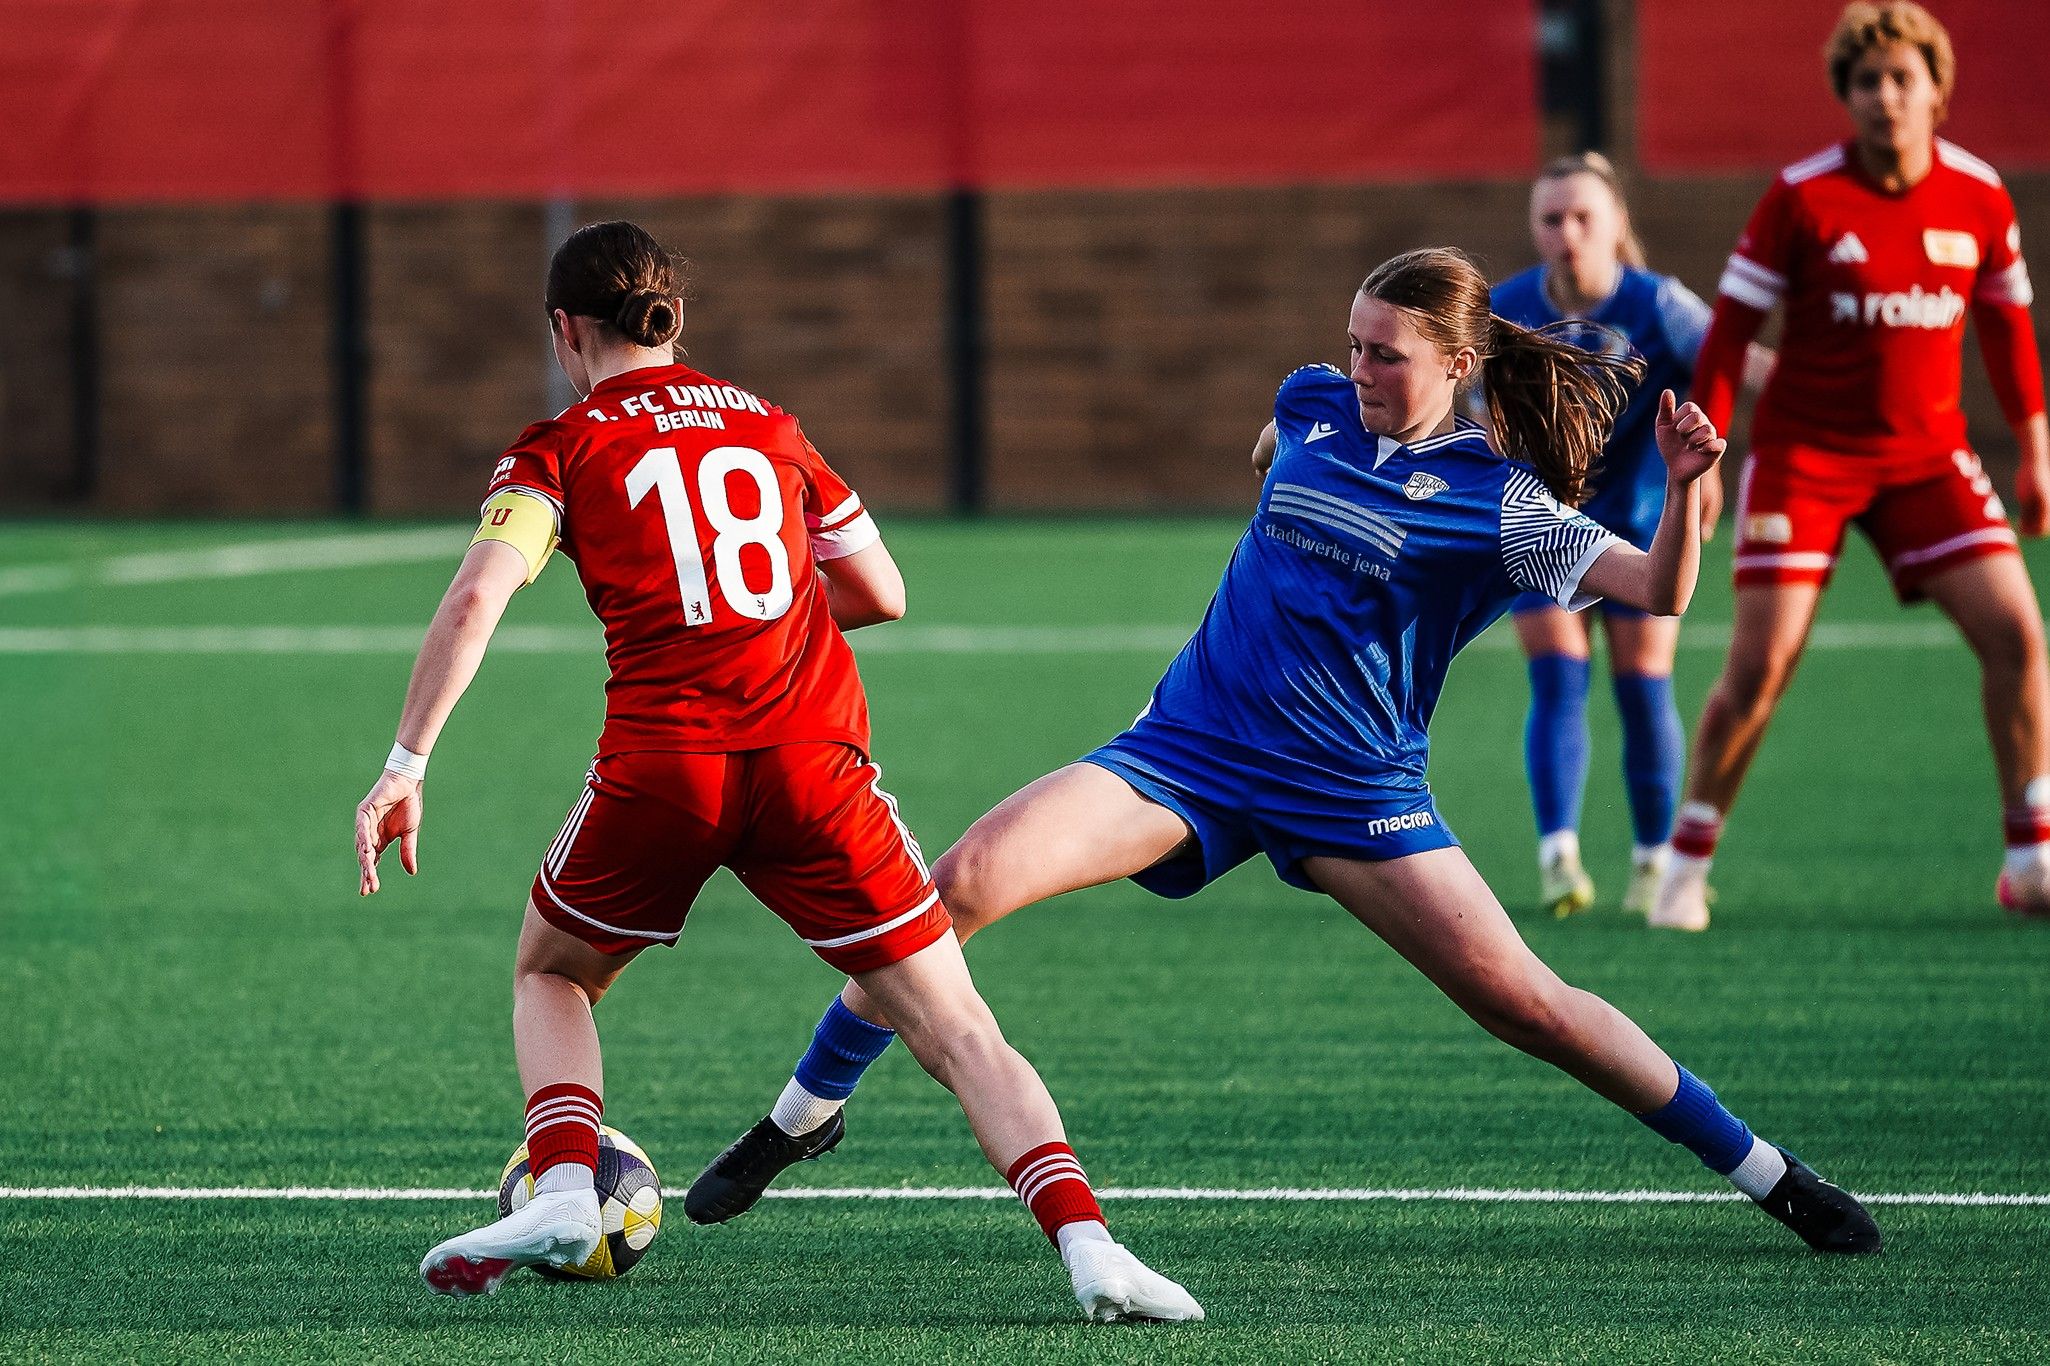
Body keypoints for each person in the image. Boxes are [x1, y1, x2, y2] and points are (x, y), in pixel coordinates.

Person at [686, 246, 1883, 1258]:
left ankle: (1767, 1172)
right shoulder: (1313, 404)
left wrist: (1685, 492)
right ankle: (801, 1114)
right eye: (1353, 344)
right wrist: (1288, 469)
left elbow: (1659, 592)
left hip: (1352, 792)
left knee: (1531, 1005)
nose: (1359, 369)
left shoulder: (1499, 501)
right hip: (1187, 751)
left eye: (1387, 354)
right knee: (953, 885)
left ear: (1458, 367)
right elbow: (1280, 447)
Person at [353, 221, 1201, 1322]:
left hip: (667, 769)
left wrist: (405, 762)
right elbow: (882, 591)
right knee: (957, 1027)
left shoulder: (558, 445)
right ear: (675, 321)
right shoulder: (771, 425)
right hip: (814, 767)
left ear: (565, 329)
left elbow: (477, 596)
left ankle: (565, 1182)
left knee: (552, 972)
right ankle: (1092, 1248)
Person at [1654, 1, 2050, 930]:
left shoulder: (1981, 197)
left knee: (2018, 636)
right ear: (1847, 96)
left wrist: (2035, 451)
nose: (1885, 97)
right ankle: (1685, 864)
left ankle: (2032, 859)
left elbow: (2008, 333)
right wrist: (1705, 460)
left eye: (1902, 79)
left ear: (1936, 92)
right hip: (1807, 460)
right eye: (1867, 82)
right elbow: (1727, 337)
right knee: (1761, 666)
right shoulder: (1801, 198)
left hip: (1928, 459)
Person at [1490, 152, 1771, 918]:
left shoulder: (1659, 303)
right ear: (1535, 229)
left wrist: (1713, 455)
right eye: (1553, 219)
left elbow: (1728, 363)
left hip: (1643, 519)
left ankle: (1653, 863)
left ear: (1618, 224)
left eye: (1585, 217)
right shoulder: (1506, 310)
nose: (1569, 233)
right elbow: (1456, 394)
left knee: (1642, 687)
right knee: (1556, 675)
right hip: (1541, 519)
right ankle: (1559, 860)